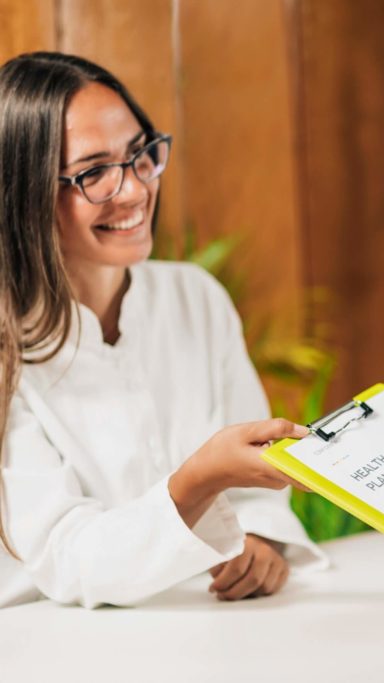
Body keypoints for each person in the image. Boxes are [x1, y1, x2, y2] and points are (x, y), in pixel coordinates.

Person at [0, 52, 325, 609]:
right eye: (94, 172)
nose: (133, 190)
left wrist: (263, 541)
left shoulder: (193, 297)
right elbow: (72, 561)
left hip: (204, 627)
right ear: (25, 193)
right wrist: (200, 477)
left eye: (140, 155)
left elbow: (258, 493)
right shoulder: (10, 349)